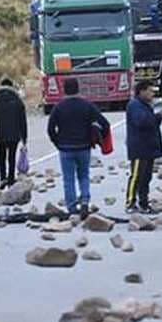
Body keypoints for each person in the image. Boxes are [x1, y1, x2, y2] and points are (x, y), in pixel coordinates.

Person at [47, 78, 110, 219]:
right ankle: (85, 201)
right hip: (84, 147)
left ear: (64, 89)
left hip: (65, 148)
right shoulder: (87, 106)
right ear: (78, 88)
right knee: (84, 175)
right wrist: (97, 138)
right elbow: (105, 124)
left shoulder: (59, 107)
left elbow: (50, 129)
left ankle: (72, 207)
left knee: (68, 179)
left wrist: (58, 143)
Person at [125, 81, 162, 215]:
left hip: (148, 147)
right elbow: (142, 122)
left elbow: (151, 124)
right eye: (149, 91)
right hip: (139, 148)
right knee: (136, 176)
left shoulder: (145, 105)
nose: (152, 94)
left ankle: (144, 202)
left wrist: (158, 118)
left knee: (146, 177)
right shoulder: (135, 106)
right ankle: (130, 202)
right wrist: (156, 117)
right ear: (141, 91)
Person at [0, 78, 28, 190]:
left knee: (1, 156)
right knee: (11, 157)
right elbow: (22, 121)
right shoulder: (18, 101)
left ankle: (3, 178)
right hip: (14, 134)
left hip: (0, 134)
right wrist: (24, 137)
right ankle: (11, 179)